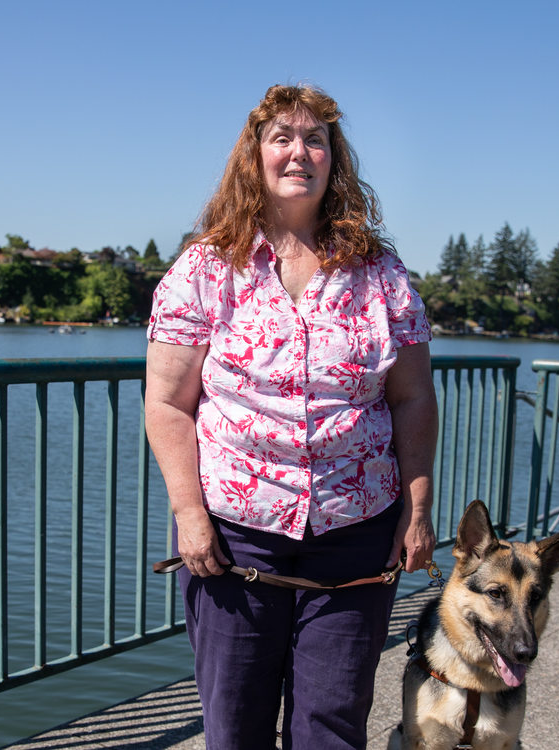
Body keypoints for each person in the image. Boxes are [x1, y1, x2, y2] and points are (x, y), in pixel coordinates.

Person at [144, 83, 437, 750]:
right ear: (256, 156)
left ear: (335, 160)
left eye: (315, 139)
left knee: (331, 728)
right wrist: (190, 515)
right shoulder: (204, 269)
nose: (298, 151)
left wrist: (417, 513)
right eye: (282, 137)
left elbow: (413, 398)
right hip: (234, 543)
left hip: (355, 534)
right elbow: (165, 402)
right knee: (236, 729)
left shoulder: (381, 275)